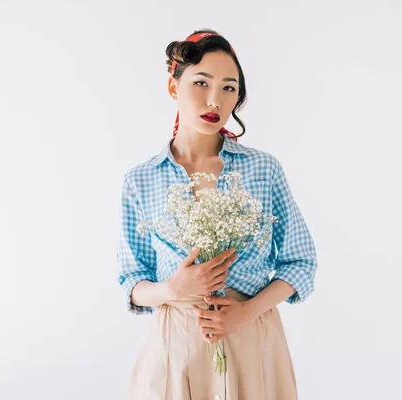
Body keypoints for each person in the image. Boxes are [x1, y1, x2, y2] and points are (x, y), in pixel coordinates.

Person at [117, 28, 318, 400]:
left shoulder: (263, 168)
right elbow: (132, 280)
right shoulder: (141, 179)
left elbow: (300, 263)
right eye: (201, 82)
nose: (215, 99)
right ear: (174, 87)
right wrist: (172, 288)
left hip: (253, 340)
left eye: (229, 87)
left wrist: (247, 312)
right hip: (176, 345)